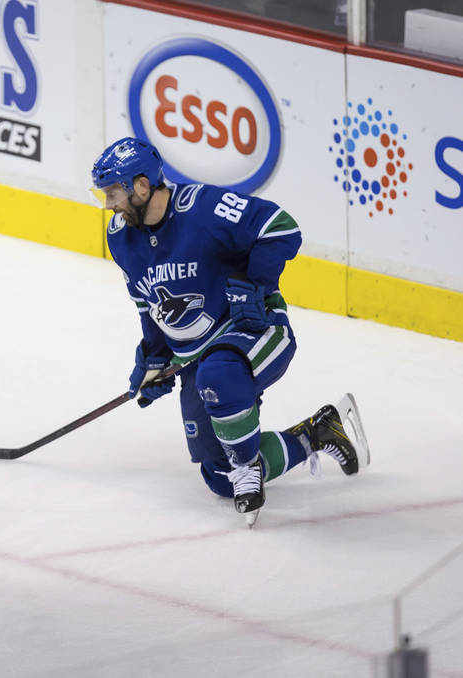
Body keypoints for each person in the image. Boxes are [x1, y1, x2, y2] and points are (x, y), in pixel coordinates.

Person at [94, 137, 367, 524]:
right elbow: (147, 304)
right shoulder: (119, 236)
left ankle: (246, 466)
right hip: (196, 354)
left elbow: (280, 227)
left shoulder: (202, 207)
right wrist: (155, 358)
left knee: (218, 374)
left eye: (113, 193)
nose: (109, 204)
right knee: (220, 477)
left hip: (253, 328)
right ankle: (317, 434)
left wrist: (254, 284)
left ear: (141, 185)